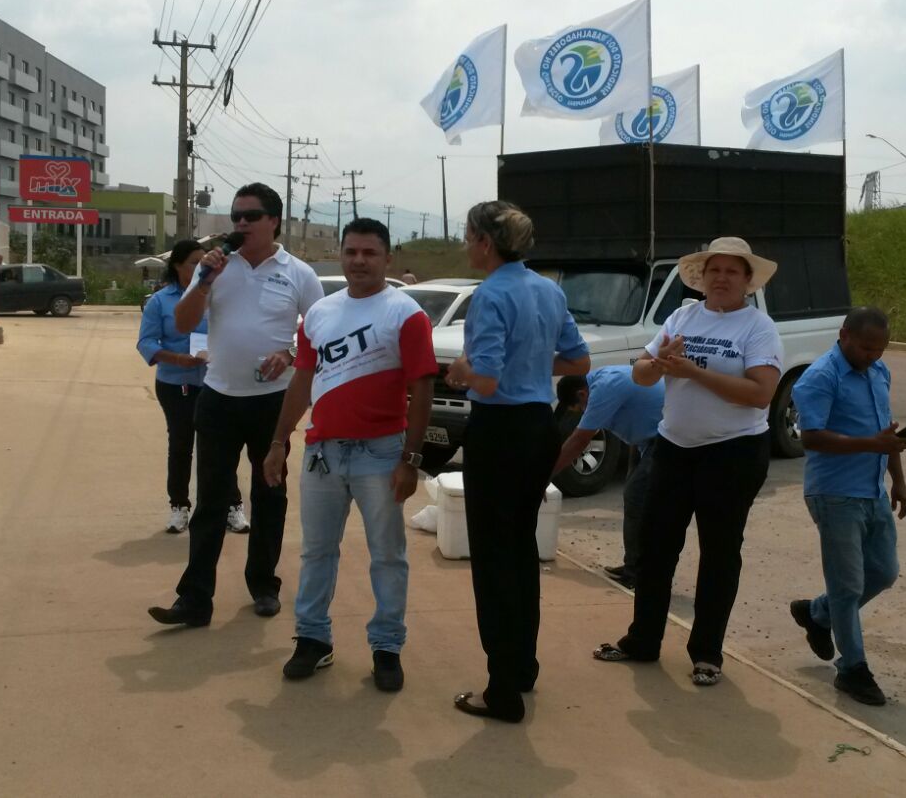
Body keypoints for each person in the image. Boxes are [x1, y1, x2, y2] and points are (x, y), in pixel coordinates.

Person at [591, 237, 782, 688]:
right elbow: (641, 373)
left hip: (733, 453)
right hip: (674, 448)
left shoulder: (758, 328)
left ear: (747, 281)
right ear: (702, 276)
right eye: (714, 270)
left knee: (719, 553)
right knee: (655, 548)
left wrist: (693, 371)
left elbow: (761, 393)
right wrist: (658, 364)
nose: (721, 278)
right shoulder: (681, 317)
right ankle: (642, 640)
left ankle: (707, 654)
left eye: (732, 271)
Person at [262, 218, 437, 693]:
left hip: (382, 454)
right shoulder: (320, 313)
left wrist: (411, 459)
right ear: (341, 255)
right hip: (323, 453)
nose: (359, 261)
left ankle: (387, 647)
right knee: (317, 551)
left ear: (387, 259)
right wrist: (278, 442)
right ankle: (312, 639)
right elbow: (302, 382)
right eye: (351, 252)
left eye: (370, 253)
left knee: (387, 556)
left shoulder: (406, 314)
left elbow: (422, 388)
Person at [148, 183, 322, 626]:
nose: (241, 223)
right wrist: (204, 280)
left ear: (273, 221)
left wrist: (289, 352)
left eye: (251, 216)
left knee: (270, 495)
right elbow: (184, 322)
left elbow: (320, 331)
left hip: (272, 403)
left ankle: (263, 585)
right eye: (236, 216)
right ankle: (195, 599)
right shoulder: (216, 267)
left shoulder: (299, 273)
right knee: (210, 501)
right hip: (218, 398)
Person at [445, 201, 589, 723]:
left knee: (493, 561)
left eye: (468, 236)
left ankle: (501, 689)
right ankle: (521, 667)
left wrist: (462, 368)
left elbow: (485, 380)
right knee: (521, 552)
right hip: (538, 428)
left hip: (500, 432)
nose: (466, 245)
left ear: (486, 242)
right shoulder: (547, 289)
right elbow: (579, 360)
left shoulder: (490, 294)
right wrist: (527, 361)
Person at [787, 306, 906, 707]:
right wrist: (871, 445)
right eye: (865, 348)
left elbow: (885, 432)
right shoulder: (819, 378)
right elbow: (811, 438)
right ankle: (853, 669)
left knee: (885, 571)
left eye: (880, 349)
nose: (872, 356)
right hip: (834, 494)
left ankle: (817, 614)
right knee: (848, 587)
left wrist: (899, 481)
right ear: (843, 336)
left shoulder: (879, 372)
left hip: (872, 490)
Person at [136, 240, 250, 536]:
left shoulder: (219, 295)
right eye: (194, 262)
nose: (202, 266)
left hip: (217, 382)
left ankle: (232, 505)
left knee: (221, 447)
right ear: (177, 265)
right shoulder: (160, 301)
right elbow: (146, 342)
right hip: (176, 383)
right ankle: (179, 506)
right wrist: (176, 358)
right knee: (181, 444)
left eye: (206, 261)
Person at [551, 365, 664, 590]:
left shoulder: (604, 388)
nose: (584, 412)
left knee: (636, 499)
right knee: (637, 500)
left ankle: (638, 572)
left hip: (662, 440)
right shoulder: (599, 380)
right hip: (645, 441)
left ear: (582, 394)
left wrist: (547, 476)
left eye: (580, 408)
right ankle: (636, 564)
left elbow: (580, 439)